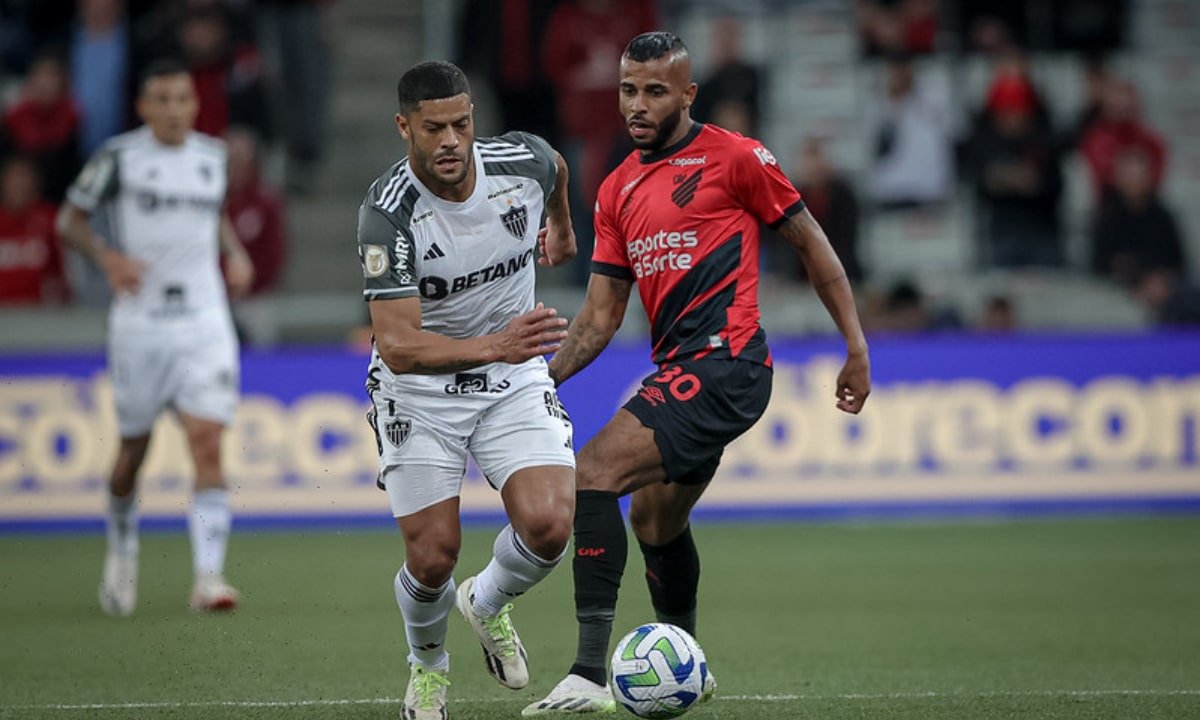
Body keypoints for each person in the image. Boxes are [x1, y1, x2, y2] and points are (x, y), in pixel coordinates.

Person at [524, 32, 871, 715]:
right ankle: (687, 663)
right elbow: (598, 319)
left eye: (656, 90)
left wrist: (854, 346)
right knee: (654, 521)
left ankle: (589, 675)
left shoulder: (736, 158)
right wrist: (538, 380)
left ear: (687, 93)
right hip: (683, 368)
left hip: (728, 361)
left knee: (592, 473)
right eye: (629, 89)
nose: (638, 105)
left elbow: (812, 244)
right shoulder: (617, 188)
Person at [357, 61, 577, 720]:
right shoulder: (386, 213)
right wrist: (497, 344)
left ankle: (486, 601)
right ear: (405, 128)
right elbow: (397, 344)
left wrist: (562, 228)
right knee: (432, 558)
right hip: (419, 390)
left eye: (462, 123)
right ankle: (428, 667)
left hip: (509, 381)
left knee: (549, 524)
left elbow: (557, 166)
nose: (452, 140)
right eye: (434, 128)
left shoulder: (521, 163)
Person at [56, 59, 255, 617]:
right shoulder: (119, 157)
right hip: (139, 323)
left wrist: (234, 252)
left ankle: (209, 578)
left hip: (204, 320)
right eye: (161, 100)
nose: (173, 110)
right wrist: (108, 258)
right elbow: (69, 221)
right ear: (143, 107)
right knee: (132, 455)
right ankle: (122, 548)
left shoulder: (212, 159)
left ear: (195, 104)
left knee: (208, 441)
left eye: (182, 99)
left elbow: (211, 218)